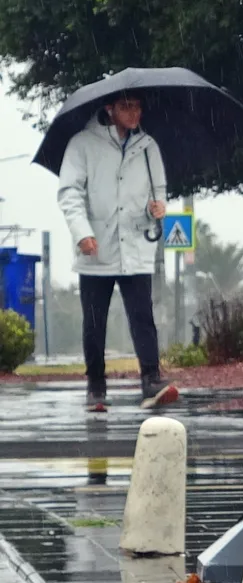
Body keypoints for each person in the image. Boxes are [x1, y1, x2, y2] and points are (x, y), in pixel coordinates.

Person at [57, 94, 179, 411]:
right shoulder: (82, 144)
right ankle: (96, 386)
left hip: (136, 246)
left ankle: (151, 380)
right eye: (126, 107)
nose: (133, 112)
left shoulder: (148, 146)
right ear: (109, 109)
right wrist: (82, 232)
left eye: (137, 106)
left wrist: (158, 208)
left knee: (142, 317)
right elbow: (69, 192)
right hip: (96, 247)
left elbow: (159, 191)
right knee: (94, 321)